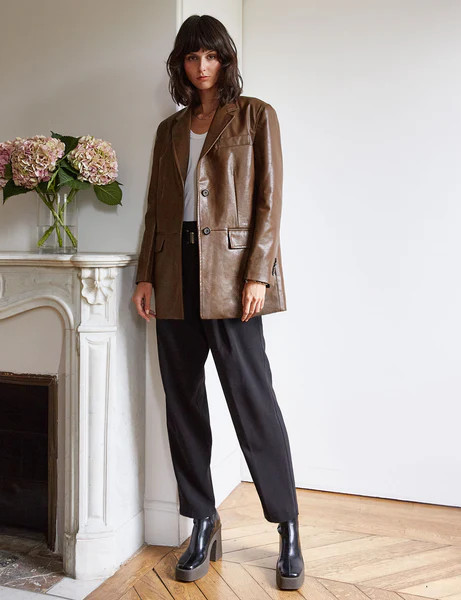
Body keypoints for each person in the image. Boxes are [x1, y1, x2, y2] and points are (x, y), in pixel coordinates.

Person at [131, 14, 304, 590]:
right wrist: (146, 275)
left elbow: (269, 202)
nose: (202, 67)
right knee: (182, 402)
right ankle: (202, 519)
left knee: (252, 399)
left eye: (211, 56)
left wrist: (258, 275)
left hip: (231, 276)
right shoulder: (169, 129)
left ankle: (287, 527)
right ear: (180, 65)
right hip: (174, 272)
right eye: (191, 57)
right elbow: (156, 208)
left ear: (225, 60)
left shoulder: (255, 115)